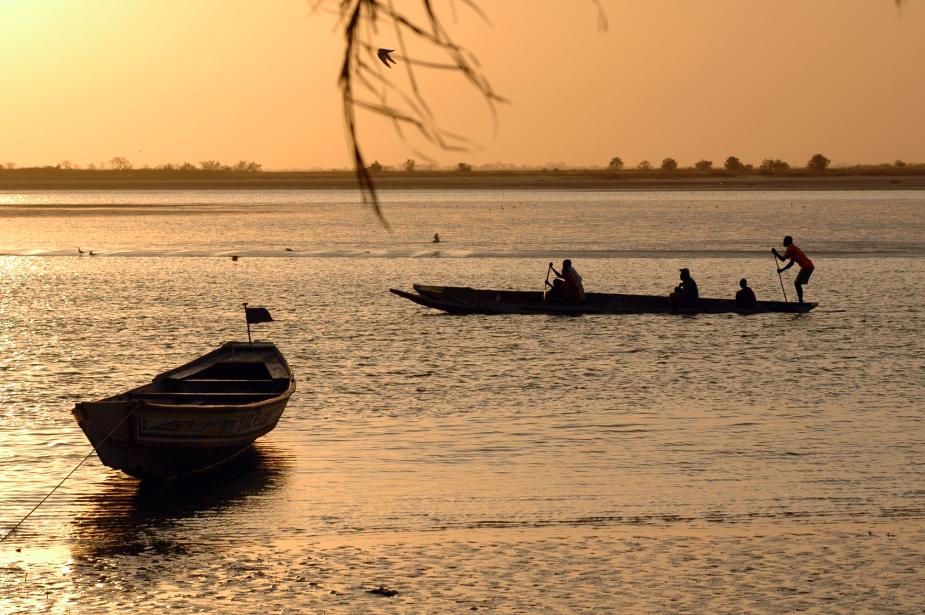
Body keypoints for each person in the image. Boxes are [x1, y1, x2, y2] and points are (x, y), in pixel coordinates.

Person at [772, 235, 814, 304]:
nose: (783, 243)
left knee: (797, 283)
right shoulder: (793, 248)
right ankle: (801, 301)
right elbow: (791, 263)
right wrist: (782, 270)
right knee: (797, 283)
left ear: (788, 242)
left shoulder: (790, 248)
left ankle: (801, 302)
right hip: (809, 266)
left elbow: (783, 259)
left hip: (807, 266)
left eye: (784, 241)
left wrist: (775, 253)